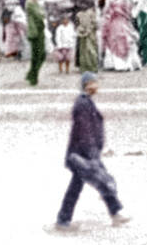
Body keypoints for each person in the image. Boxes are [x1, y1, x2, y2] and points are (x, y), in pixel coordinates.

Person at [53, 73, 129, 230]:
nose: (97, 86)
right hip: (84, 154)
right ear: (88, 85)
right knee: (100, 182)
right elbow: (84, 131)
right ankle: (63, 220)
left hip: (84, 153)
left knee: (96, 183)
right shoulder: (83, 104)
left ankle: (115, 213)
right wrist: (91, 154)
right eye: (95, 83)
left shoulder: (85, 102)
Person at [25, 0, 47, 85]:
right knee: (38, 56)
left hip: (39, 30)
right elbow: (40, 14)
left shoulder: (35, 1)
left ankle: (31, 74)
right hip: (35, 32)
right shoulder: (30, 2)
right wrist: (43, 12)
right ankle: (33, 76)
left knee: (40, 55)